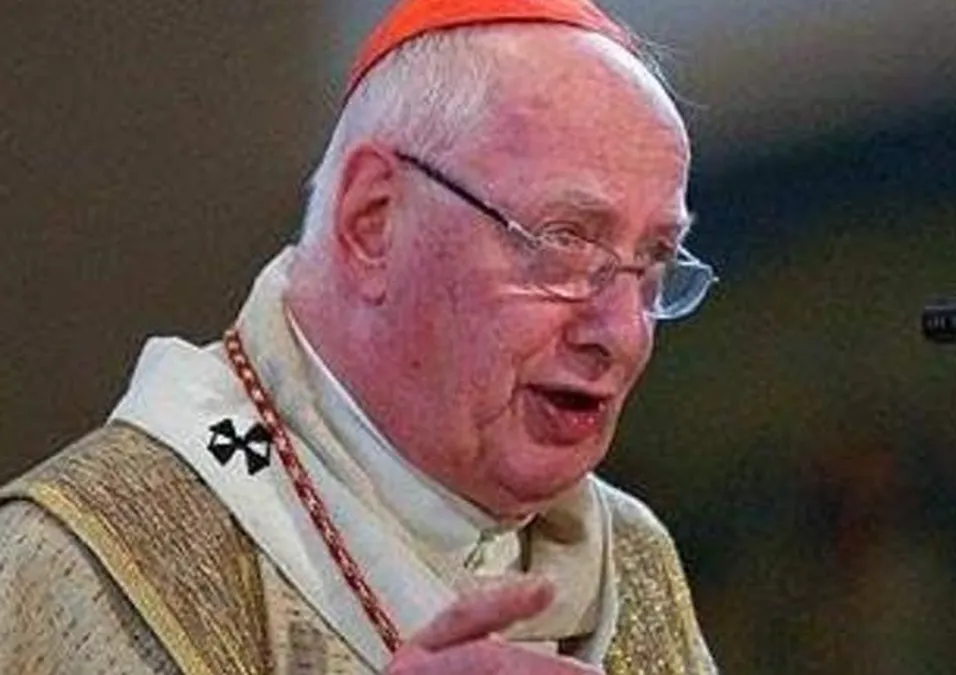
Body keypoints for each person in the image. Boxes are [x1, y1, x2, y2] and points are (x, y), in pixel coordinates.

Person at [0, 0, 719, 672]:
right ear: (373, 221)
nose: (621, 334)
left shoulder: (633, 556)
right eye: (563, 242)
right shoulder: (84, 558)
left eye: (654, 262)